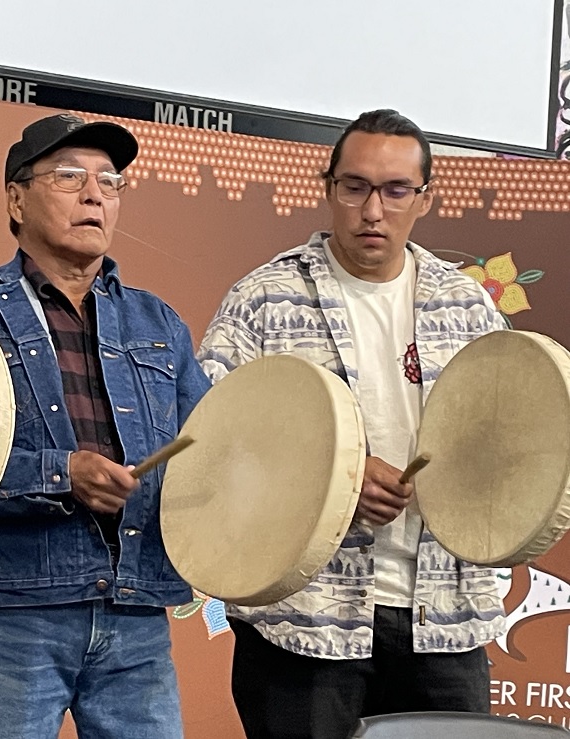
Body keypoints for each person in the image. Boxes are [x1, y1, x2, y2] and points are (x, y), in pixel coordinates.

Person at [198, 109, 506, 739]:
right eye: (355, 186)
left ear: (424, 198)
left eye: (396, 190)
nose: (373, 210)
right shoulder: (265, 297)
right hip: (306, 619)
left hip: (445, 616)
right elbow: (211, 440)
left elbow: (505, 441)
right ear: (328, 187)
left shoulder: (466, 303)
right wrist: (335, 480)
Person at [0, 113, 210, 738]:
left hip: (138, 611)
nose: (94, 194)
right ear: (16, 197)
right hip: (15, 612)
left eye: (110, 182)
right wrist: (63, 474)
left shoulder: (158, 322)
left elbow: (209, 456)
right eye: (69, 176)